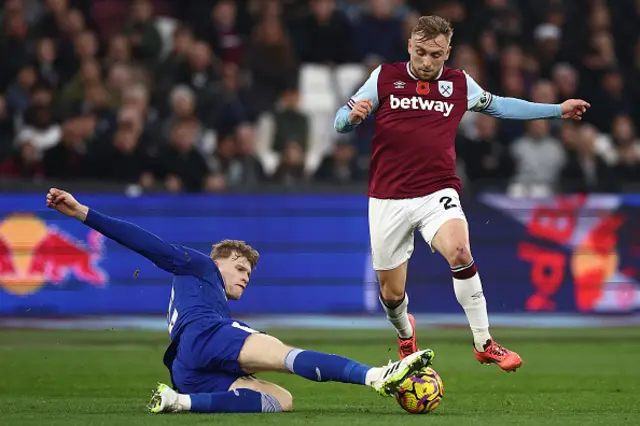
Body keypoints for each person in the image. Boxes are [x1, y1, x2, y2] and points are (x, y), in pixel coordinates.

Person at [334, 15, 590, 371]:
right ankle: (405, 333)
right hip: (387, 197)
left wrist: (556, 111)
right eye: (420, 52)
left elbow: (500, 105)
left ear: (447, 53)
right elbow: (339, 121)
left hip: (436, 191)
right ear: (409, 45)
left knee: (459, 249)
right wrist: (354, 117)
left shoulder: (458, 84)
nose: (426, 62)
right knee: (392, 295)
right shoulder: (384, 77)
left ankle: (484, 342)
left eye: (435, 55)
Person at [45, 188, 435, 414]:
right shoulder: (199, 266)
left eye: (249, 273)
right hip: (205, 336)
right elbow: (147, 243)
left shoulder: (204, 290)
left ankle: (179, 402)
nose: (246, 277)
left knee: (280, 400)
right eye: (240, 267)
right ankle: (376, 376)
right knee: (284, 353)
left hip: (185, 367)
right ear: (217, 261)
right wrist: (82, 213)